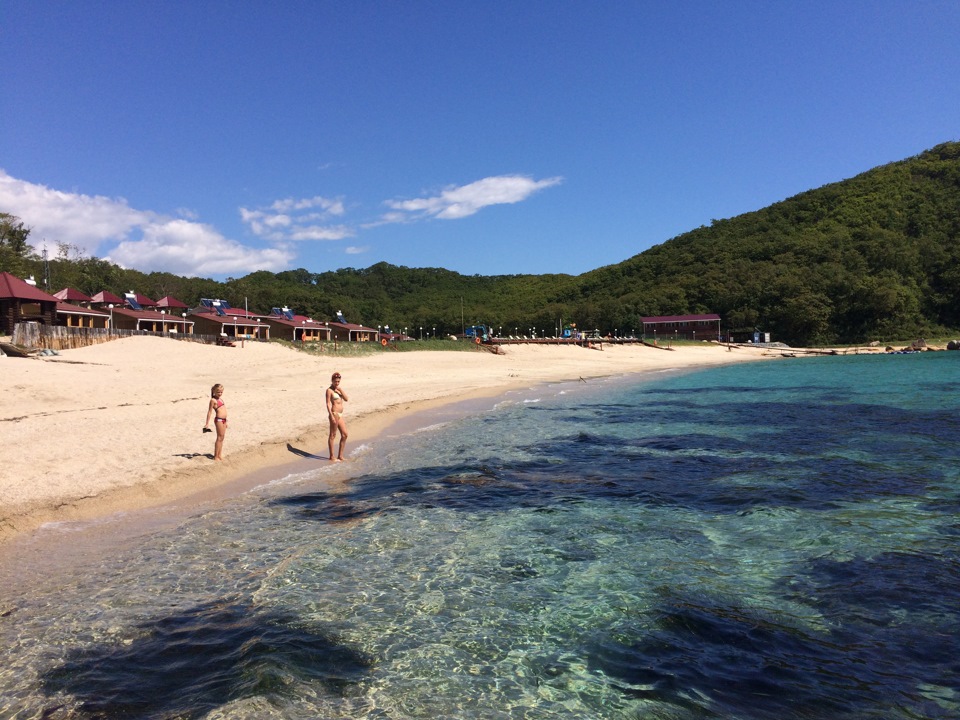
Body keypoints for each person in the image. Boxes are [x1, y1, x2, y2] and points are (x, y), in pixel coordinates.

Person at [325, 372, 349, 461]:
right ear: (332, 381)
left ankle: (340, 456)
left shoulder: (339, 390)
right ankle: (332, 456)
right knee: (333, 435)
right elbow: (327, 404)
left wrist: (340, 390)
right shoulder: (329, 390)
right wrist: (331, 415)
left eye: (338, 381)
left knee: (345, 434)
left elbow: (346, 399)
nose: (337, 383)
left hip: (340, 415)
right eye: (335, 381)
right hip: (334, 414)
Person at [203, 383, 227, 461]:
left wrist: (226, 421)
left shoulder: (221, 399)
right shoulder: (213, 400)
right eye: (218, 392)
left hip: (224, 420)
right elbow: (209, 412)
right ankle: (216, 456)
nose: (220, 394)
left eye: (221, 392)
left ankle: (219, 455)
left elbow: (223, 410)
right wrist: (207, 423)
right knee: (219, 438)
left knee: (222, 438)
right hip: (219, 420)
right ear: (214, 391)